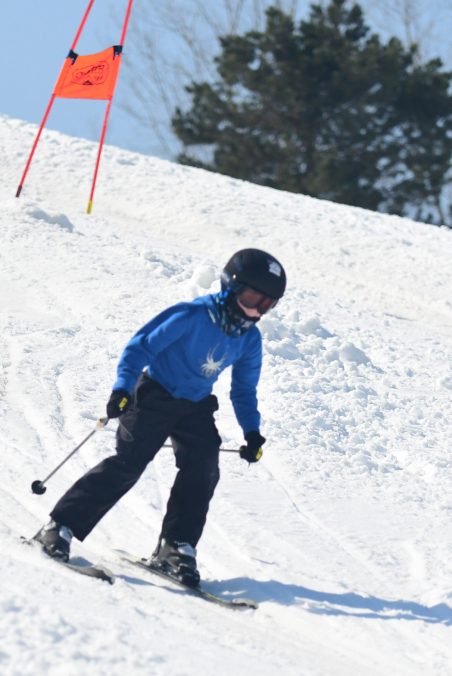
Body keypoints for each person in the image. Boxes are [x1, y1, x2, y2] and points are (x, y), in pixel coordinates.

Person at [34, 248, 287, 588]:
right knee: (129, 463)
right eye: (252, 298)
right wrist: (122, 388)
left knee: (203, 468)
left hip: (196, 405)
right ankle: (59, 526)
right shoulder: (191, 315)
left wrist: (252, 432)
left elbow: (244, 390)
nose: (256, 310)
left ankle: (175, 547)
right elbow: (140, 347)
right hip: (154, 394)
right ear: (231, 286)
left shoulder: (249, 340)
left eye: (267, 304)